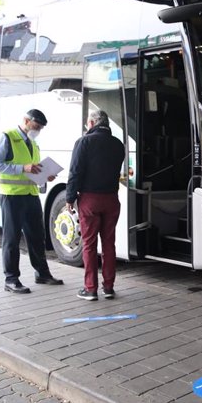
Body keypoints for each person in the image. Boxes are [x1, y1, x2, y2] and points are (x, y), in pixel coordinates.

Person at [0, 109, 64, 294]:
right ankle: (11, 279)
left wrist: (45, 175)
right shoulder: (6, 137)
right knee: (12, 239)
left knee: (37, 236)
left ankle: (42, 273)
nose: (37, 130)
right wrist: (23, 167)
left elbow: (32, 170)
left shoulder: (33, 143)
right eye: (36, 126)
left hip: (30, 194)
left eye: (40, 128)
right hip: (11, 195)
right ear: (26, 120)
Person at [66, 110, 125, 301]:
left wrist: (69, 198)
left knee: (89, 244)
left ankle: (90, 288)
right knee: (109, 243)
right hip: (111, 199)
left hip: (90, 200)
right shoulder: (118, 145)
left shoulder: (84, 142)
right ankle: (108, 287)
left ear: (91, 123)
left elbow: (75, 172)